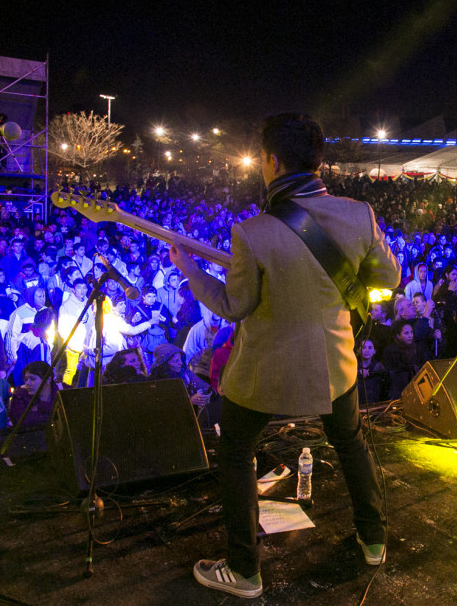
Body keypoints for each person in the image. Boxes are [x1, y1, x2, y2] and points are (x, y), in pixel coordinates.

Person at [170, 113, 399, 598]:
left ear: (271, 161)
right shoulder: (359, 215)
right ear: (319, 160)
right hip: (335, 367)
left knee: (235, 453)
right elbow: (388, 279)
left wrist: (189, 268)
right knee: (351, 442)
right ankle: (374, 539)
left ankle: (245, 572)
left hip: (264, 372)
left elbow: (235, 306)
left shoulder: (253, 232)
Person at [8, 360, 59, 428]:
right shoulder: (20, 394)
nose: (27, 383)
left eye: (32, 379)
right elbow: (22, 422)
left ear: (48, 379)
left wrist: (40, 406)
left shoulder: (62, 390)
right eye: (26, 379)